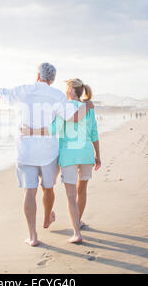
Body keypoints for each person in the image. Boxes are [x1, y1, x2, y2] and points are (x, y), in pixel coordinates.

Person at [0, 63, 94, 246]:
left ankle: (32, 237)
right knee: (48, 188)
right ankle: (47, 218)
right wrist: (87, 106)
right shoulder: (57, 95)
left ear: (38, 75)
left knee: (29, 191)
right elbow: (73, 117)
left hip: (25, 151)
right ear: (52, 79)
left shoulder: (23, 90)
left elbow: (1, 92)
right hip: (48, 152)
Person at [21, 78, 101, 243]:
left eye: (66, 88)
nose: (65, 91)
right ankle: (78, 222)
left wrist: (31, 130)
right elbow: (94, 133)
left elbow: (52, 129)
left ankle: (77, 233)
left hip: (69, 156)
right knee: (82, 191)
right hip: (86, 154)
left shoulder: (65, 107)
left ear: (71, 90)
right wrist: (98, 155)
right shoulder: (89, 108)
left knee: (71, 196)